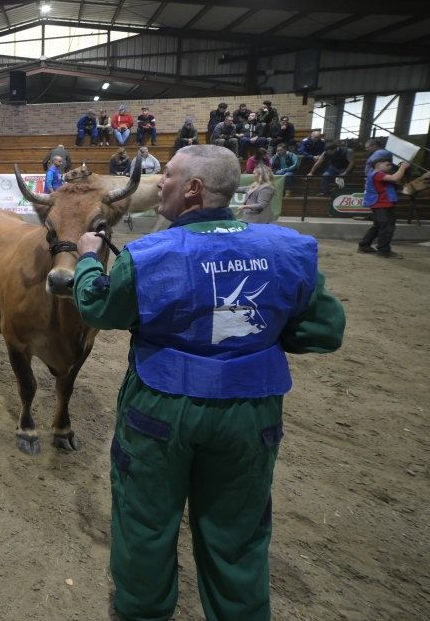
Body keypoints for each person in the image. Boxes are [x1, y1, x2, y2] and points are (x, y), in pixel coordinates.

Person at [72, 144, 344, 621]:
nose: (161, 186)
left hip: (160, 409)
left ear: (194, 190)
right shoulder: (287, 249)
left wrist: (91, 259)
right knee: (237, 534)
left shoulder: (149, 255)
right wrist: (262, 332)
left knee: (146, 524)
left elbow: (98, 308)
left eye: (169, 178)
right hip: (250, 413)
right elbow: (324, 331)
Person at [358, 155, 410, 258]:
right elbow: (396, 177)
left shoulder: (378, 174)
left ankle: (364, 245)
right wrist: (403, 167)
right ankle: (384, 250)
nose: (390, 166)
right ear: (378, 165)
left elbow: (396, 180)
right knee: (387, 227)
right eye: (387, 164)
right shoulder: (377, 174)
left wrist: (403, 169)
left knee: (378, 226)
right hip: (382, 204)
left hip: (382, 204)